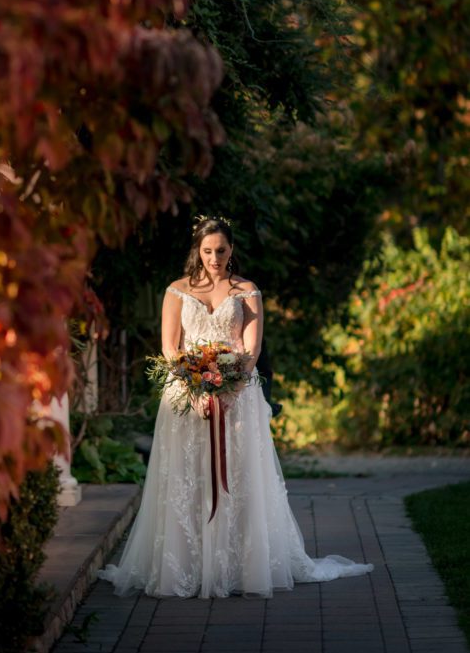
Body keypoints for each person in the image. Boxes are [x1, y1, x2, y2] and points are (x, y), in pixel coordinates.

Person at [99, 217, 373, 598]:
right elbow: (169, 346)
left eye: (221, 251)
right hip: (188, 398)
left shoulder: (247, 291)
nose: (214, 258)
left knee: (241, 478)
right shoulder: (176, 291)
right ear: (197, 250)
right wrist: (194, 382)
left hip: (238, 396)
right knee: (187, 478)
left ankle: (240, 567)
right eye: (208, 251)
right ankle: (187, 567)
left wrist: (230, 384)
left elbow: (251, 349)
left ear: (232, 250)